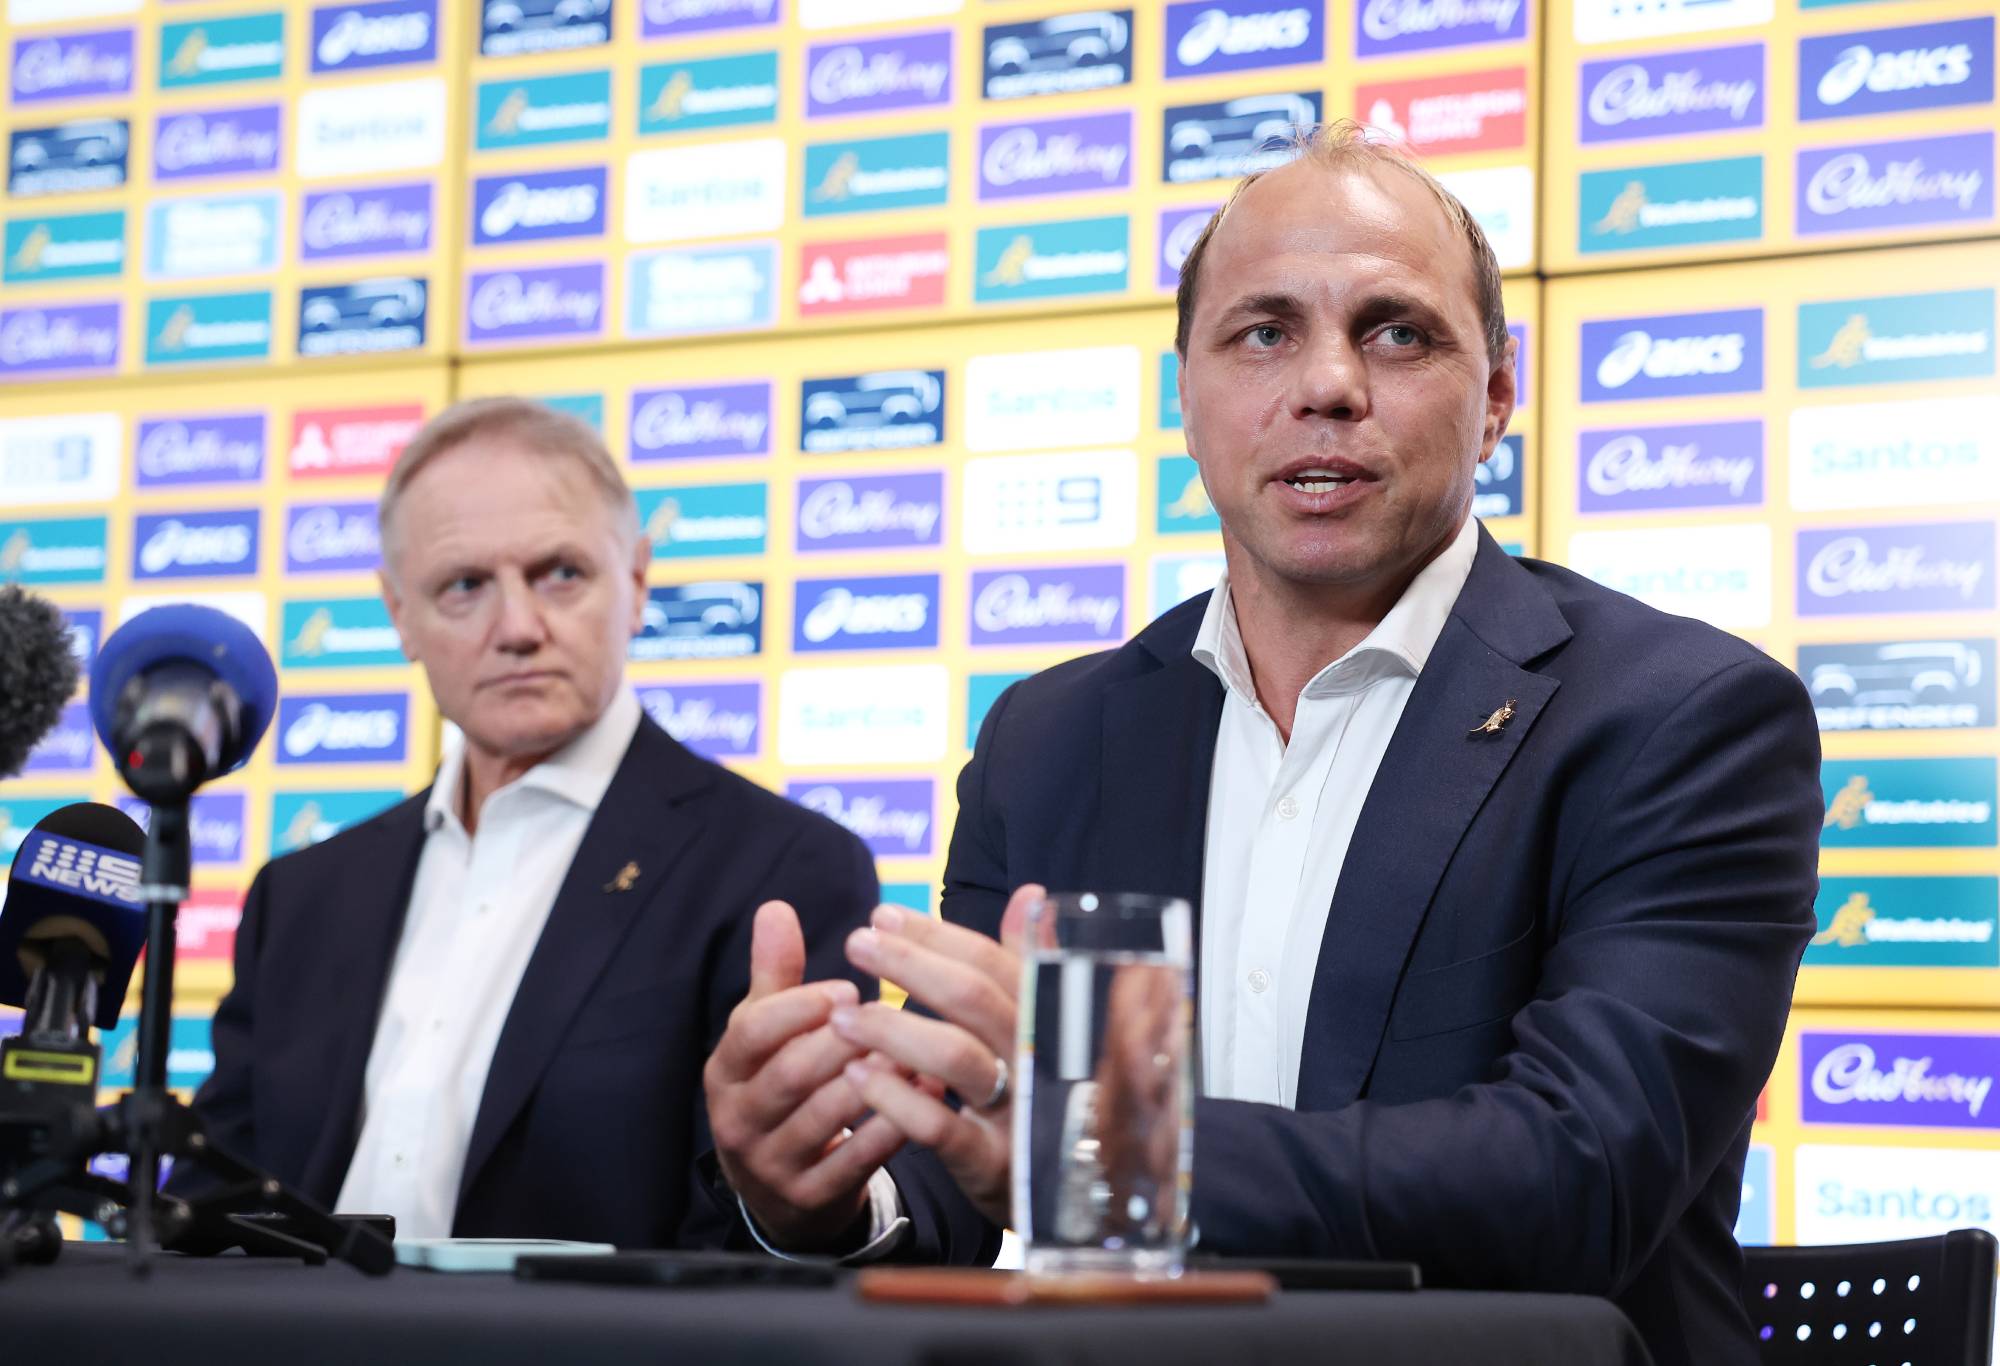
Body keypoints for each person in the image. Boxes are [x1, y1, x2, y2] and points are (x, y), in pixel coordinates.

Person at [707, 123, 1821, 1366]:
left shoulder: (1682, 717)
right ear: (1185, 395)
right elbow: (969, 1155)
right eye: (1263, 332)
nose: (1329, 384)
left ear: (1497, 393)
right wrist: (826, 1192)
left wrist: (1123, 1154)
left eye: (1397, 331)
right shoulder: (1050, 736)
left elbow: (1577, 1176)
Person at [182, 398, 879, 1248]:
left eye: (559, 573)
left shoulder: (780, 868)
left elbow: (762, 1231)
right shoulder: (301, 897)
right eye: (464, 585)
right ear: (400, 614)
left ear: (636, 584)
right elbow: (206, 1211)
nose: (517, 629)